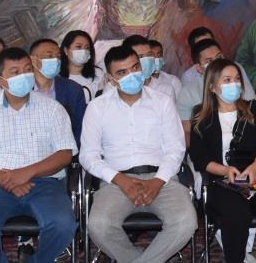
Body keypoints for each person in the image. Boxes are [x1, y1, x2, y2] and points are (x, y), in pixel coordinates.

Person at [0, 46, 78, 263]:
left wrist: (26, 173)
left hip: (45, 183)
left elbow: (64, 155)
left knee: (63, 225)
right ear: (0, 80)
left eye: (27, 70)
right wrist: (6, 179)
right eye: (15, 72)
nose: (24, 76)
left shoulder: (53, 109)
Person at [81, 45, 197, 262]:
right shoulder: (97, 107)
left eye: (135, 68)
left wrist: (158, 181)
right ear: (111, 79)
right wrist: (120, 180)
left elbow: (176, 148)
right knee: (99, 225)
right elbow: (88, 155)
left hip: (162, 178)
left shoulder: (162, 101)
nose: (132, 75)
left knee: (186, 222)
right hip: (116, 181)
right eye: (122, 72)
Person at [189, 59, 256, 263]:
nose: (234, 84)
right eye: (227, 80)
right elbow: (200, 157)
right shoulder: (201, 117)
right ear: (212, 86)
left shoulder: (254, 110)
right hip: (223, 181)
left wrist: (255, 167)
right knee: (236, 213)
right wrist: (225, 170)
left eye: (237, 79)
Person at [177, 39, 255, 137]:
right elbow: (188, 132)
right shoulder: (187, 93)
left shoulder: (238, 85)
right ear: (199, 68)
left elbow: (253, 115)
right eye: (209, 61)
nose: (217, 63)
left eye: (219, 57)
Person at [27, 38, 87, 145]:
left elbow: (80, 130)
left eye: (58, 56)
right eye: (49, 56)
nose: (55, 60)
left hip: (66, 150)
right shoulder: (23, 90)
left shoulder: (73, 89)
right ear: (33, 60)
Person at [59, 30, 105, 102]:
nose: (83, 51)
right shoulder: (57, 76)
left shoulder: (98, 73)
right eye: (78, 47)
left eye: (87, 47)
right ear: (66, 50)